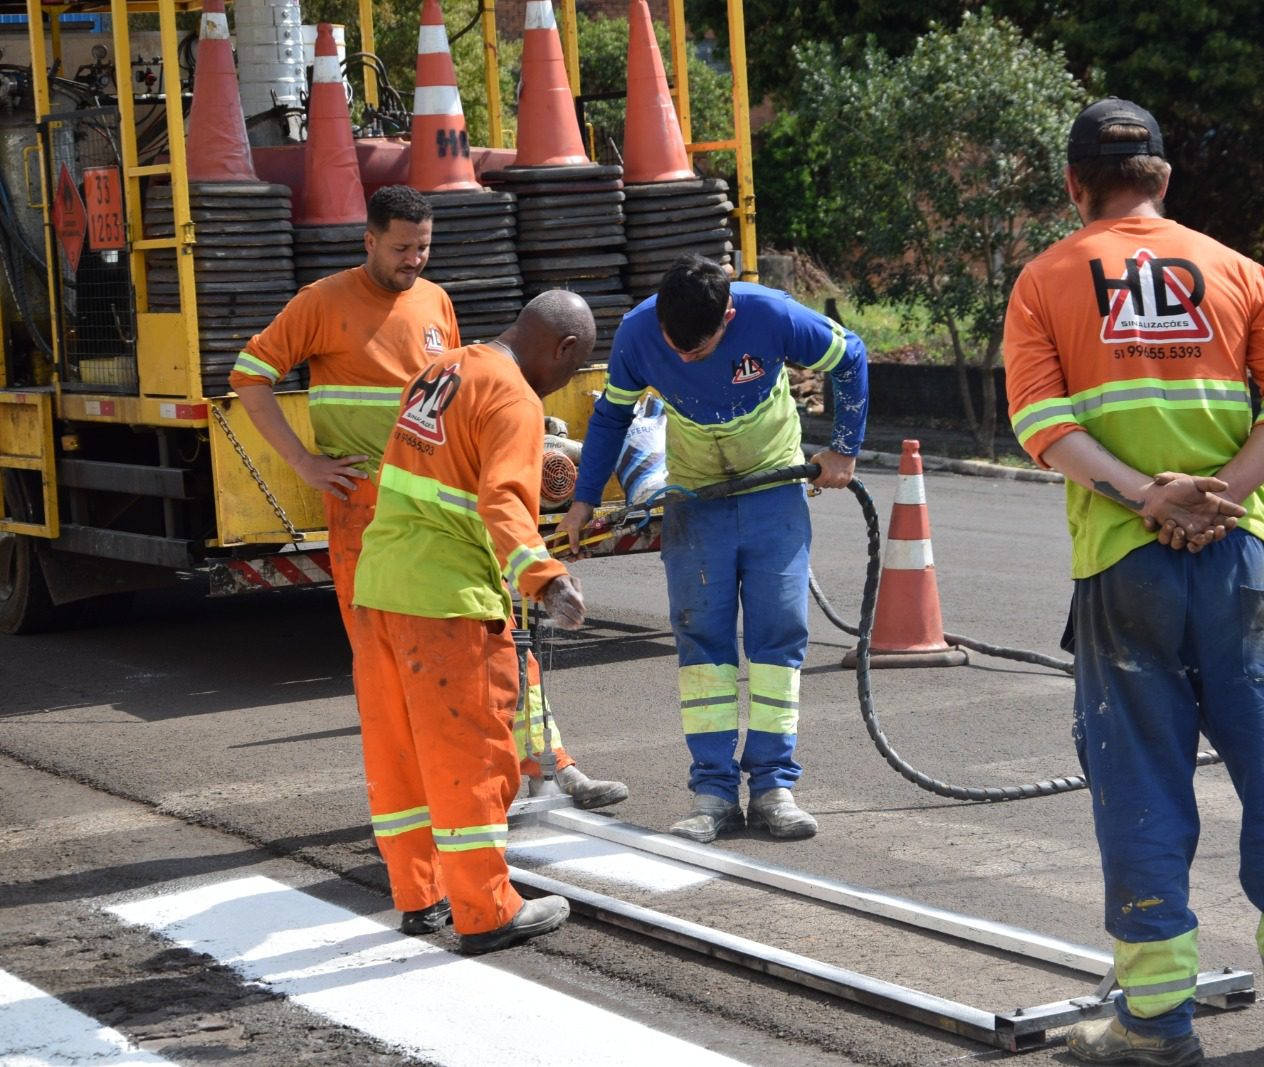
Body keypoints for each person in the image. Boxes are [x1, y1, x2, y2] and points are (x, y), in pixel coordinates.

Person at [1002, 99, 1264, 1065]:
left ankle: (1156, 1022)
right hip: (1237, 559)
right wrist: (1223, 495)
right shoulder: (1238, 271)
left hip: (1124, 568)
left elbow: (1041, 424)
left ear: (1076, 185)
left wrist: (1146, 498)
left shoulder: (1045, 279)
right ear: (1163, 178)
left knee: (1140, 783)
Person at [229, 185, 625, 810]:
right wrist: (304, 462)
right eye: (400, 247)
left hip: (450, 506)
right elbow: (249, 376)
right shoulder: (322, 302)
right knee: (390, 669)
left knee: (499, 633)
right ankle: (432, 798)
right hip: (366, 513)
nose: (413, 259)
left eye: (423, 247)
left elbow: (465, 390)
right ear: (369, 241)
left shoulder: (436, 301)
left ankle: (548, 763)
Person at [554, 255, 869, 843]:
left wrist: (844, 449)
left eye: (697, 348)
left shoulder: (771, 315)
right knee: (703, 643)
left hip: (773, 488)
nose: (684, 357)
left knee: (779, 634)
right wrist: (583, 498)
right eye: (675, 346)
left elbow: (850, 356)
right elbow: (611, 417)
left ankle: (774, 786)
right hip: (696, 500)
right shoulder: (639, 332)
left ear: (728, 315)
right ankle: (713, 793)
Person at [346, 291, 596, 954]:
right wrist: (546, 578)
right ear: (563, 349)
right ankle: (486, 910)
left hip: (379, 588)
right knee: (471, 761)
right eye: (572, 372)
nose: (563, 386)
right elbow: (504, 503)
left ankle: (420, 897)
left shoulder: (442, 369)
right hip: (445, 602)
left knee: (398, 756)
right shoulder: (515, 397)